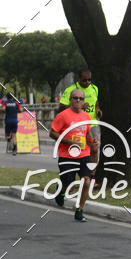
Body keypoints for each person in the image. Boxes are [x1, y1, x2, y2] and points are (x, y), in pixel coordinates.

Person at [50, 88, 99, 221]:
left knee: (86, 182)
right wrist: (69, 142)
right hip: (67, 156)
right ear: (70, 100)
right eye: (75, 98)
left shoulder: (86, 116)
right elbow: (52, 133)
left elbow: (87, 133)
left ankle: (79, 210)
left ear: (84, 102)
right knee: (69, 184)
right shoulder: (63, 115)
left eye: (81, 98)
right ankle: (60, 192)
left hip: (84, 155)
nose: (78, 100)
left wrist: (92, 141)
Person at [59, 68, 102, 165]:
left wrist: (98, 110)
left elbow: (96, 104)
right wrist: (79, 106)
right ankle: (80, 169)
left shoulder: (95, 88)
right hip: (77, 124)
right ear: (78, 79)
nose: (87, 82)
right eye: (84, 80)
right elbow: (61, 108)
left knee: (94, 147)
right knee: (79, 150)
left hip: (92, 123)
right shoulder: (71, 90)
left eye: (89, 80)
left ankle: (93, 173)